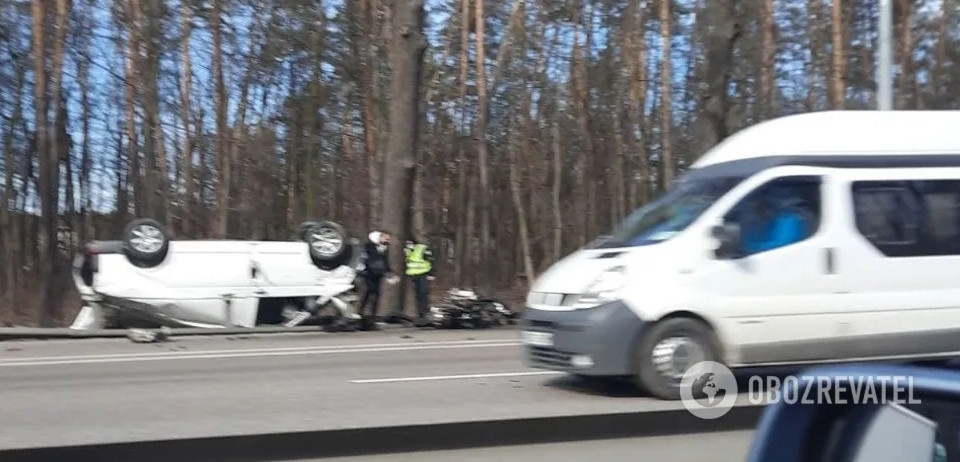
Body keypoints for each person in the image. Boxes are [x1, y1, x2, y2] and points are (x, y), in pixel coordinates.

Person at [358, 230, 394, 330]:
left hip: (379, 274)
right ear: (380, 237)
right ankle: (360, 312)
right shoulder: (369, 246)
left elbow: (385, 261)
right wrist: (363, 269)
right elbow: (364, 258)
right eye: (386, 238)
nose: (388, 241)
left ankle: (373, 315)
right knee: (369, 292)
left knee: (376, 295)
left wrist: (389, 271)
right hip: (369, 273)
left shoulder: (384, 248)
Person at [404, 235, 435, 327]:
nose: (408, 245)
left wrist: (431, 273)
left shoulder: (422, 249)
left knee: (423, 294)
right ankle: (421, 315)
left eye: (410, 243)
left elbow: (431, 261)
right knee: (418, 296)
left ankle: (426, 314)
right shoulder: (408, 251)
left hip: (423, 274)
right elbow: (409, 263)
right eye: (407, 244)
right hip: (414, 276)